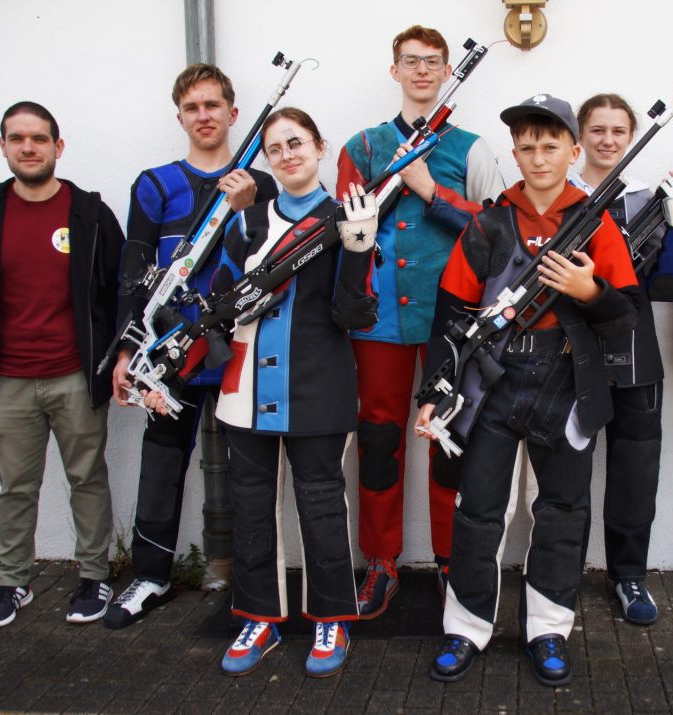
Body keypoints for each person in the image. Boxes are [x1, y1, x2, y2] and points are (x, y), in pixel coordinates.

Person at [416, 94, 640, 685]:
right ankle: (466, 629)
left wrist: (590, 292)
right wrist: (435, 392)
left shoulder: (598, 224)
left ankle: (548, 631)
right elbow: (450, 315)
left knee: (562, 512)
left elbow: (629, 317)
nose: (539, 157)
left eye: (550, 145)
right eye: (527, 146)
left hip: (566, 387)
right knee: (478, 512)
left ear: (573, 150)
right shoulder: (488, 225)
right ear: (513, 153)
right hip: (491, 387)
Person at [145, 107, 377, 677]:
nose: (287, 155)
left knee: (322, 508)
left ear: (319, 147)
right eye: (275, 149)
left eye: (296, 143)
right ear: (266, 161)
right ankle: (258, 617)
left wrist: (356, 250)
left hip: (319, 389)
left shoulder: (347, 216)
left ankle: (331, 618)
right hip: (244, 389)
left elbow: (355, 315)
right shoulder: (246, 221)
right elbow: (218, 308)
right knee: (250, 508)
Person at [336, 24, 505, 617]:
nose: (423, 70)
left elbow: (496, 235)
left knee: (448, 439)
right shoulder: (363, 147)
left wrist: (431, 191)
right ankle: (380, 562)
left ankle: (451, 560)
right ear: (395, 70)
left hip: (451, 319)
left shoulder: (472, 148)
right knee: (379, 439)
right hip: (378, 318)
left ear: (446, 70)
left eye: (434, 61)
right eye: (411, 61)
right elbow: (346, 233)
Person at [105, 64, 278, 629]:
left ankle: (252, 585)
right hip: (172, 354)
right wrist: (128, 352)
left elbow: (274, 265)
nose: (203, 116)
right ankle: (151, 576)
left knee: (250, 472)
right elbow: (133, 274)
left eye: (213, 105)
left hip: (238, 349)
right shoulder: (155, 185)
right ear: (179, 117)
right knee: (160, 465)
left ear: (233, 113)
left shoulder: (261, 182)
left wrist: (249, 207)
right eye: (192, 108)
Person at [0, 101, 124, 628]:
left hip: (75, 375)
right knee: (15, 487)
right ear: (3, 146)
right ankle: (12, 582)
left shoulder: (89, 214)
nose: (28, 148)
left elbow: (116, 289)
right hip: (7, 379)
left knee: (87, 478)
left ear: (58, 146)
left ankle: (94, 576)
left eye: (39, 138)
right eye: (17, 138)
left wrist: (107, 354)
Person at [570, 94, 673, 625]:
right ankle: (561, 576)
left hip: (636, 355)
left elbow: (667, 287)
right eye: (597, 130)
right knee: (566, 474)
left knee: (635, 473)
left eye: (618, 130)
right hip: (569, 353)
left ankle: (629, 576)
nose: (608, 140)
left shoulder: (646, 200)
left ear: (631, 135)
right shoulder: (559, 193)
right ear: (580, 136)